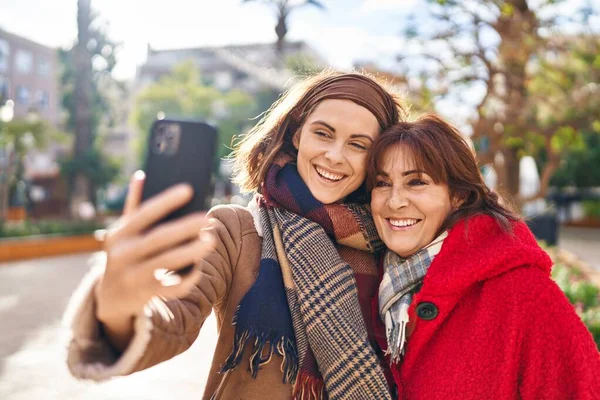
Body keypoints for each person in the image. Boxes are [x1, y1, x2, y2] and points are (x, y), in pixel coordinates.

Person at [64, 70, 405, 400]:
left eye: (358, 145)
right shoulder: (238, 230)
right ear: (298, 135)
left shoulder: (394, 242)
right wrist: (118, 308)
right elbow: (175, 320)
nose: (334, 155)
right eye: (323, 133)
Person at [367, 114, 600, 399]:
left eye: (416, 182)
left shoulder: (524, 294)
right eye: (382, 183)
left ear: (459, 196)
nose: (394, 200)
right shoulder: (367, 283)